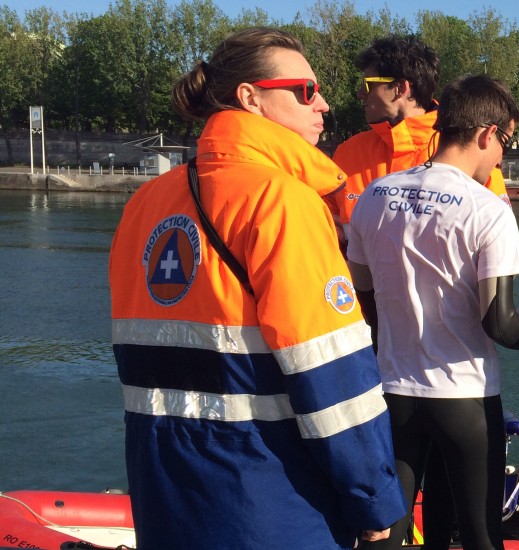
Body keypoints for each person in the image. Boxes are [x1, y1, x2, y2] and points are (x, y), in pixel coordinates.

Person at [107, 27, 407, 549]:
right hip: (271, 500)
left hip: (165, 499)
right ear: (251, 98)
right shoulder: (282, 203)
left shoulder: (144, 205)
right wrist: (375, 501)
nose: (325, 104)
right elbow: (332, 374)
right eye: (306, 91)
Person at [346, 74, 519, 550]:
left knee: (385, 528)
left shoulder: (375, 196)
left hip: (391, 391)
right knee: (479, 533)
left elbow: (363, 302)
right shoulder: (489, 211)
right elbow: (498, 323)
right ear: (487, 134)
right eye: (506, 143)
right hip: (464, 397)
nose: (503, 157)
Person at [328, 35, 509, 243]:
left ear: (401, 89)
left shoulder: (468, 151)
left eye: (368, 85)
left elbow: (497, 243)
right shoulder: (347, 153)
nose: (360, 93)